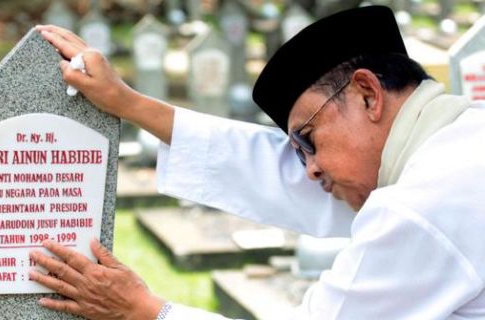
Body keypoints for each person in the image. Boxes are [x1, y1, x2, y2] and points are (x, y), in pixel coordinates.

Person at [28, 6, 485, 319]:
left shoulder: (420, 207)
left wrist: (144, 308)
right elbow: (280, 173)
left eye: (307, 140)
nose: (309, 168)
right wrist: (128, 104)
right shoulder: (459, 141)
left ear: (367, 94)